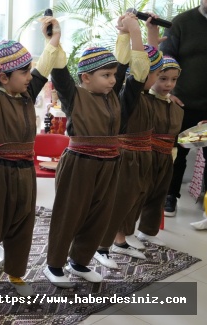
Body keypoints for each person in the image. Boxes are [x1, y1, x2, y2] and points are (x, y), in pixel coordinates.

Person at [43, 14, 145, 287]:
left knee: (99, 216)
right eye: (106, 75)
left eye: (113, 75)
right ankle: (54, 265)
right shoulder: (73, 95)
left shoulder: (116, 98)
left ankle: (80, 261)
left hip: (110, 164)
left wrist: (128, 34)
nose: (113, 80)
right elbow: (60, 71)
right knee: (70, 213)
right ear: (86, 78)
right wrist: (54, 37)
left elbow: (131, 70)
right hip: (80, 164)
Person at [0, 17, 63, 298]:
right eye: (24, 72)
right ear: (3, 77)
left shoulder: (26, 92)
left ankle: (15, 273)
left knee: (24, 223)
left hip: (26, 170)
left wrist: (53, 39)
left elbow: (44, 66)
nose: (31, 77)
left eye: (30, 72)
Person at [94, 16, 161, 268]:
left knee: (131, 203)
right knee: (117, 203)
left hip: (141, 156)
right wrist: (133, 33)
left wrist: (149, 31)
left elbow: (150, 57)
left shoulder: (144, 94)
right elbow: (137, 66)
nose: (157, 79)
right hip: (126, 157)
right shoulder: (128, 94)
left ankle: (120, 240)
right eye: (156, 74)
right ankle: (101, 246)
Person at [123, 56, 184, 243]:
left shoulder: (175, 106)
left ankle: (148, 231)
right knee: (138, 194)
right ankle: (126, 233)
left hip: (166, 156)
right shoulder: (144, 100)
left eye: (174, 80)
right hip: (146, 154)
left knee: (159, 194)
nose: (169, 84)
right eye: (163, 78)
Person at [160, 0, 207, 217]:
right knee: (177, 152)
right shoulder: (181, 23)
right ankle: (170, 196)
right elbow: (165, 59)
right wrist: (169, 93)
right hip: (183, 104)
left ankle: (206, 202)